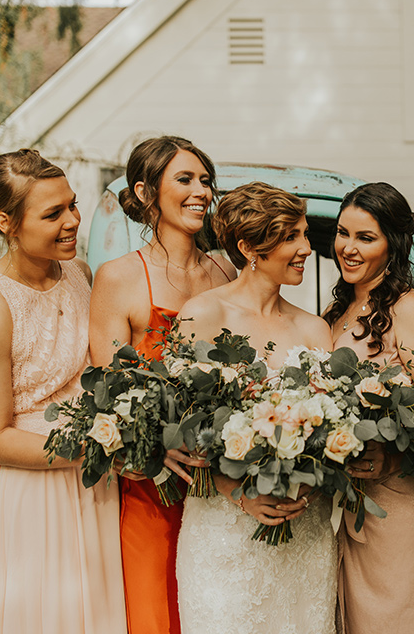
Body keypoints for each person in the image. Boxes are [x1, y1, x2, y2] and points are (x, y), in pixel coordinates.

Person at [0, 149, 126, 633]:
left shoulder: (78, 273)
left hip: (96, 483)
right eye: (53, 213)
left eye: (72, 205)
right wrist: (94, 448)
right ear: (7, 221)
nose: (72, 220)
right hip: (37, 488)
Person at [173, 181, 337, 634]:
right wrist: (240, 492)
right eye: (290, 237)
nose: (306, 248)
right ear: (248, 248)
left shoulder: (314, 331)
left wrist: (309, 481)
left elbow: (334, 429)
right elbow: (184, 432)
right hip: (225, 534)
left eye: (304, 234)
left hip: (304, 531)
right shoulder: (202, 316)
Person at [88, 136, 235, 634]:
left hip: (223, 483)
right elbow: (106, 393)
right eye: (185, 180)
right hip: (154, 486)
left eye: (205, 180)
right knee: (156, 614)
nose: (202, 192)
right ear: (146, 192)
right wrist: (153, 452)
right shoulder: (118, 277)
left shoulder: (226, 271)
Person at [322, 182, 414, 634]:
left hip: (401, 505)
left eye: (366, 237)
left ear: (393, 244)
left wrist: (393, 455)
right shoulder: (338, 309)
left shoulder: (408, 310)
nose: (348, 248)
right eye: (343, 233)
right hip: (349, 504)